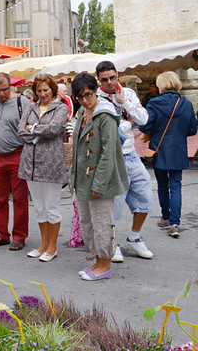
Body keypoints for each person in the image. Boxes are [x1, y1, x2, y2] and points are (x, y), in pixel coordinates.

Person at [70, 72, 128, 281]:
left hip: (100, 179)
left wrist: (100, 182)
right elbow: (77, 149)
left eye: (88, 95)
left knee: (102, 222)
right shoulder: (82, 113)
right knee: (88, 222)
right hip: (84, 178)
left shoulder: (105, 115)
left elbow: (109, 152)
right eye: (80, 97)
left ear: (96, 91)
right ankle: (97, 261)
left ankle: (105, 265)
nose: (85, 100)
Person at [96, 61, 155, 261]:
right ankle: (112, 242)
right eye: (104, 79)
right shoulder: (96, 97)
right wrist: (128, 123)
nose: (110, 82)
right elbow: (112, 129)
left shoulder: (127, 93)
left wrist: (125, 104)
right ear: (99, 79)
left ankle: (135, 237)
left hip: (131, 154)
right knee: (114, 204)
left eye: (112, 77)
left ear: (117, 74)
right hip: (111, 156)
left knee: (145, 195)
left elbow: (144, 119)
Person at [139, 71, 197, 238]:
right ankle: (175, 222)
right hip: (178, 150)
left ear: (161, 85)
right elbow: (193, 129)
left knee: (163, 185)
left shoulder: (154, 103)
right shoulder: (185, 103)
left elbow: (145, 127)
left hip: (159, 149)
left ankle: (165, 217)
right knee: (176, 185)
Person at [17, 74, 68, 262]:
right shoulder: (30, 108)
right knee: (39, 207)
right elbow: (20, 130)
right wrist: (36, 130)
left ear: (52, 90)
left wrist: (32, 128)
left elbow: (54, 130)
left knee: (52, 207)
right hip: (30, 164)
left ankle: (52, 246)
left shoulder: (61, 108)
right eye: (39, 91)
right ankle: (44, 244)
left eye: (45, 90)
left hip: (51, 164)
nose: (42, 94)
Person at [0, 72, 30, 251]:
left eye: (5, 89)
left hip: (17, 155)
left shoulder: (21, 102)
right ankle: (2, 234)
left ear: (11, 87)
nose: (2, 94)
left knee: (20, 199)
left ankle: (19, 236)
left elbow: (30, 128)